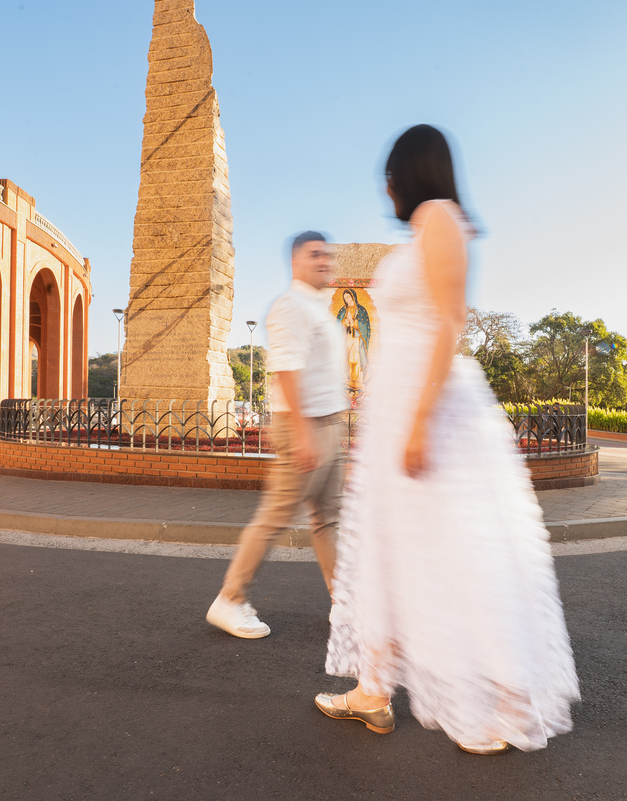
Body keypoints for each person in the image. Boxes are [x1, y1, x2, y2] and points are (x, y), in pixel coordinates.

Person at [317, 125, 580, 754]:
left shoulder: (438, 217)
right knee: (389, 551)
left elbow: (449, 323)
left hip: (428, 409)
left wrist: (419, 421)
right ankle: (374, 689)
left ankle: (512, 705)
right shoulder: (423, 230)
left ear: (413, 172)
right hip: (395, 409)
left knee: (463, 556)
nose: (385, 185)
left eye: (390, 173)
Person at [207, 231, 349, 639]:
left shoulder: (320, 309)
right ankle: (229, 599)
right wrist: (304, 433)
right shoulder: (292, 306)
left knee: (327, 519)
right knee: (273, 519)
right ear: (296, 262)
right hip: (304, 427)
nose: (325, 261)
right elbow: (286, 370)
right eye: (315, 255)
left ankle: (344, 603)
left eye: (328, 255)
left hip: (326, 425)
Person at [336, 288, 371, 398]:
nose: (347, 300)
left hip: (356, 339)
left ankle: (357, 384)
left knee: (355, 360)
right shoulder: (343, 310)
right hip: (346, 339)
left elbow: (365, 326)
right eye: (345, 298)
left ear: (353, 297)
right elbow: (336, 326)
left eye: (348, 297)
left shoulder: (361, 310)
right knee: (345, 360)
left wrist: (354, 323)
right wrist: (344, 322)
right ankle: (347, 383)